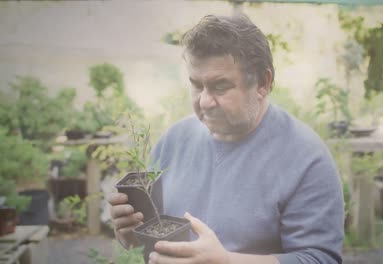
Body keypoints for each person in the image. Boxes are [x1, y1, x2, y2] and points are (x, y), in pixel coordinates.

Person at [108, 14, 344, 264]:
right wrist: (131, 233)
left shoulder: (306, 159)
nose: (205, 102)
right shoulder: (172, 142)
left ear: (263, 83)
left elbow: (319, 259)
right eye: (197, 85)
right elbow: (151, 234)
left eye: (220, 86)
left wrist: (227, 262)